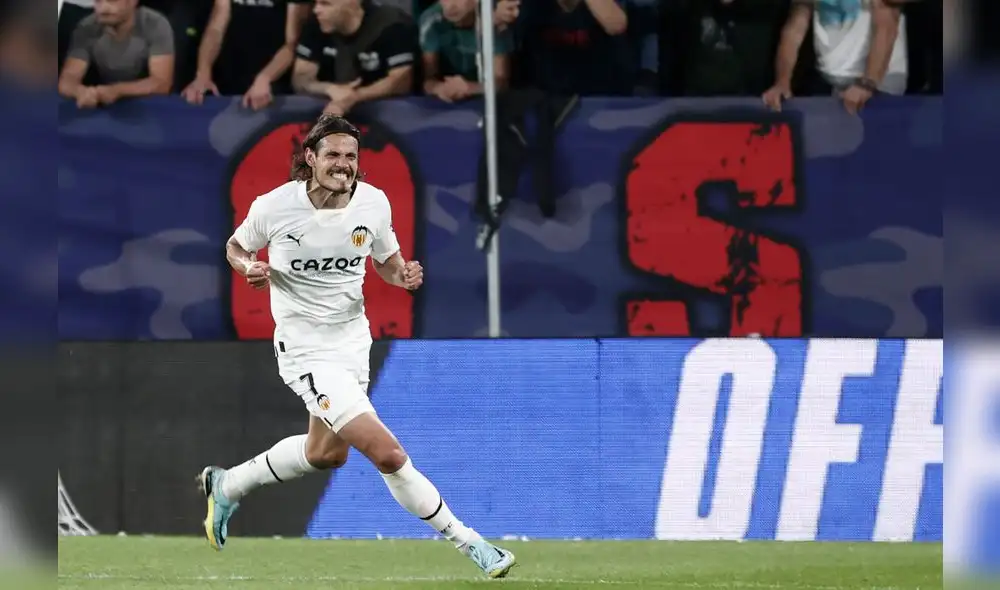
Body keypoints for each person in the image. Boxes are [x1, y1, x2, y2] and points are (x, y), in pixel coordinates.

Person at [199, 114, 517, 580]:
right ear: (310, 158)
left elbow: (387, 262)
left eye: (350, 156)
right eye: (332, 155)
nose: (343, 164)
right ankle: (470, 542)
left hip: (352, 341)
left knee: (326, 453)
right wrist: (248, 265)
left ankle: (228, 484)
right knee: (387, 454)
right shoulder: (276, 207)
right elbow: (235, 246)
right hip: (305, 350)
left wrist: (402, 274)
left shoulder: (373, 204)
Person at [762, 0, 908, 115]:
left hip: (880, 83)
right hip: (835, 84)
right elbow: (795, 27)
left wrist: (867, 84)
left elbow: (887, 26)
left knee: (878, 149)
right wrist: (782, 82)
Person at [180, 0, 313, 111]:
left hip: (272, 85)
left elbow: (293, 42)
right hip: (229, 76)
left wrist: (265, 78)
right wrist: (203, 73)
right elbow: (216, 28)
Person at [292, 0, 418, 116]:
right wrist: (329, 88)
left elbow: (401, 81)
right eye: (316, 3)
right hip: (331, 115)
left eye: (325, 4)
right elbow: (300, 78)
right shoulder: (316, 24)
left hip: (390, 116)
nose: (316, 10)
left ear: (351, 4)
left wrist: (353, 97)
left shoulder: (391, 24)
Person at [58, 0, 174, 109]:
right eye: (98, 1)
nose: (103, 8)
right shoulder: (87, 27)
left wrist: (117, 90)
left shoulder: (155, 24)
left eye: (112, 0)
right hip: (102, 105)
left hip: (145, 105)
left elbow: (161, 83)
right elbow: (67, 79)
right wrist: (80, 92)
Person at [419, 0, 513, 102]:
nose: (450, 6)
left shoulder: (494, 21)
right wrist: (439, 88)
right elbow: (429, 79)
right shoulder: (431, 21)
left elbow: (502, 83)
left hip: (487, 100)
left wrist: (470, 88)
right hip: (445, 102)